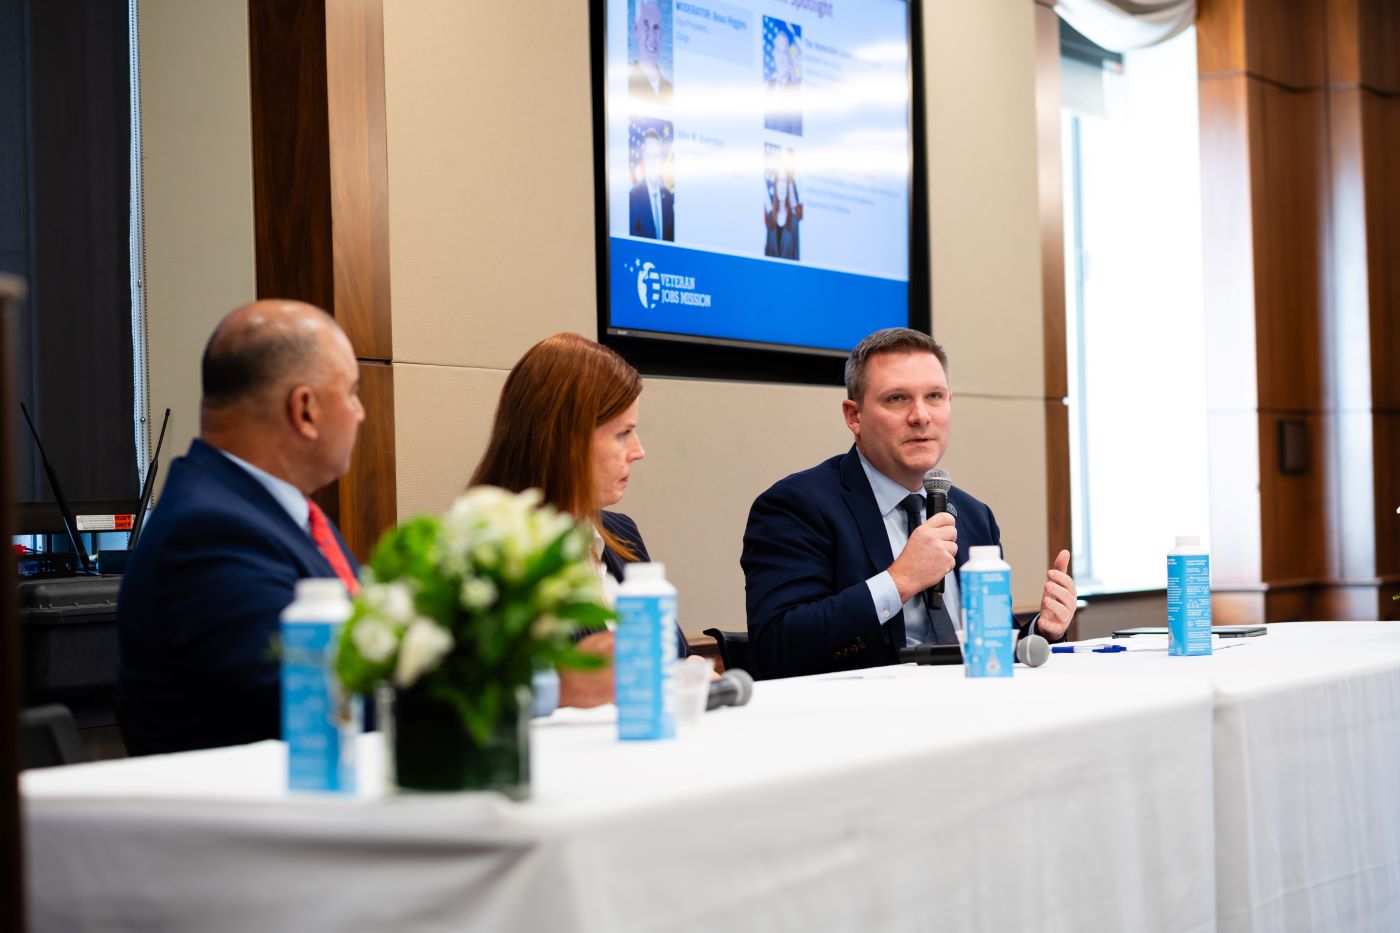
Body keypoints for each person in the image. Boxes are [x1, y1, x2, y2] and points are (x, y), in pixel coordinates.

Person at [741, 328, 1077, 679]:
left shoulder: (975, 516)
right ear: (854, 416)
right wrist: (898, 580)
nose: (921, 416)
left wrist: (1043, 630)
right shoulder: (796, 506)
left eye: (934, 396)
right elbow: (776, 647)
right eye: (897, 399)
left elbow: (987, 647)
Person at [117, 300, 366, 754]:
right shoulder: (207, 532)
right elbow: (325, 695)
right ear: (304, 409)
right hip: (244, 815)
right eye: (351, 393)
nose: (359, 412)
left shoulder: (278, 512)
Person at [470, 332, 690, 706]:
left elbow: (674, 658)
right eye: (623, 434)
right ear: (565, 440)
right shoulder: (492, 552)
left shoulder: (623, 534)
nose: (638, 452)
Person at [629, 129, 674, 241]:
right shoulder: (634, 196)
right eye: (649, 156)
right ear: (643, 158)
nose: (653, 161)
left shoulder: (667, 196)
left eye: (656, 156)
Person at [628, 0, 672, 104]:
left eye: (656, 27)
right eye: (646, 26)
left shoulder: (671, 90)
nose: (651, 39)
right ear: (636, 28)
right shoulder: (627, 86)